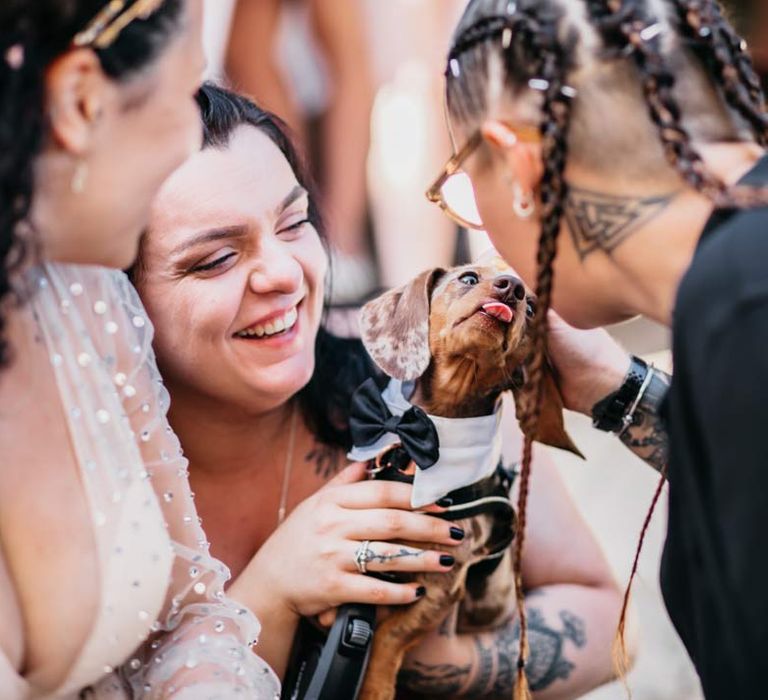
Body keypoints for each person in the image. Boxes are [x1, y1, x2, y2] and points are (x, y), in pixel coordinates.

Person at [131, 82, 627, 698]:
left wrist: (415, 656)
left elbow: (610, 624)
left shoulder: (430, 384)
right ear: (118, 295)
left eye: (294, 223)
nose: (286, 274)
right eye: (216, 260)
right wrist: (273, 592)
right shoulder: (86, 481)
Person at [431, 0, 768, 697]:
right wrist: (619, 390)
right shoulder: (739, 290)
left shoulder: (740, 305)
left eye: (464, 186)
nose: (481, 233)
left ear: (521, 168)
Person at [0, 2, 279, 697]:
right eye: (188, 93)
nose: (197, 140)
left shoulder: (86, 297)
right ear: (81, 100)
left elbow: (183, 612)